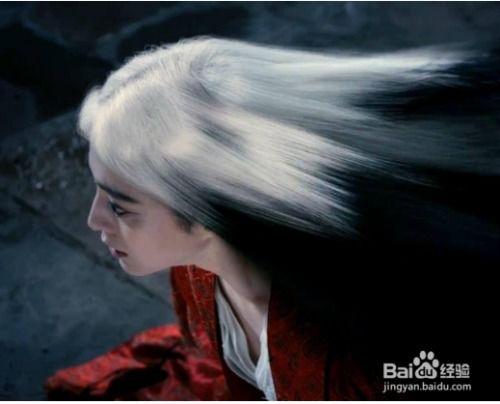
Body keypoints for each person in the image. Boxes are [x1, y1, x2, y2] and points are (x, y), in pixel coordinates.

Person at [45, 35, 500, 400]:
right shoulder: (195, 272)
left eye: (120, 206)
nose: (94, 220)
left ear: (205, 215)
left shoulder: (362, 353)